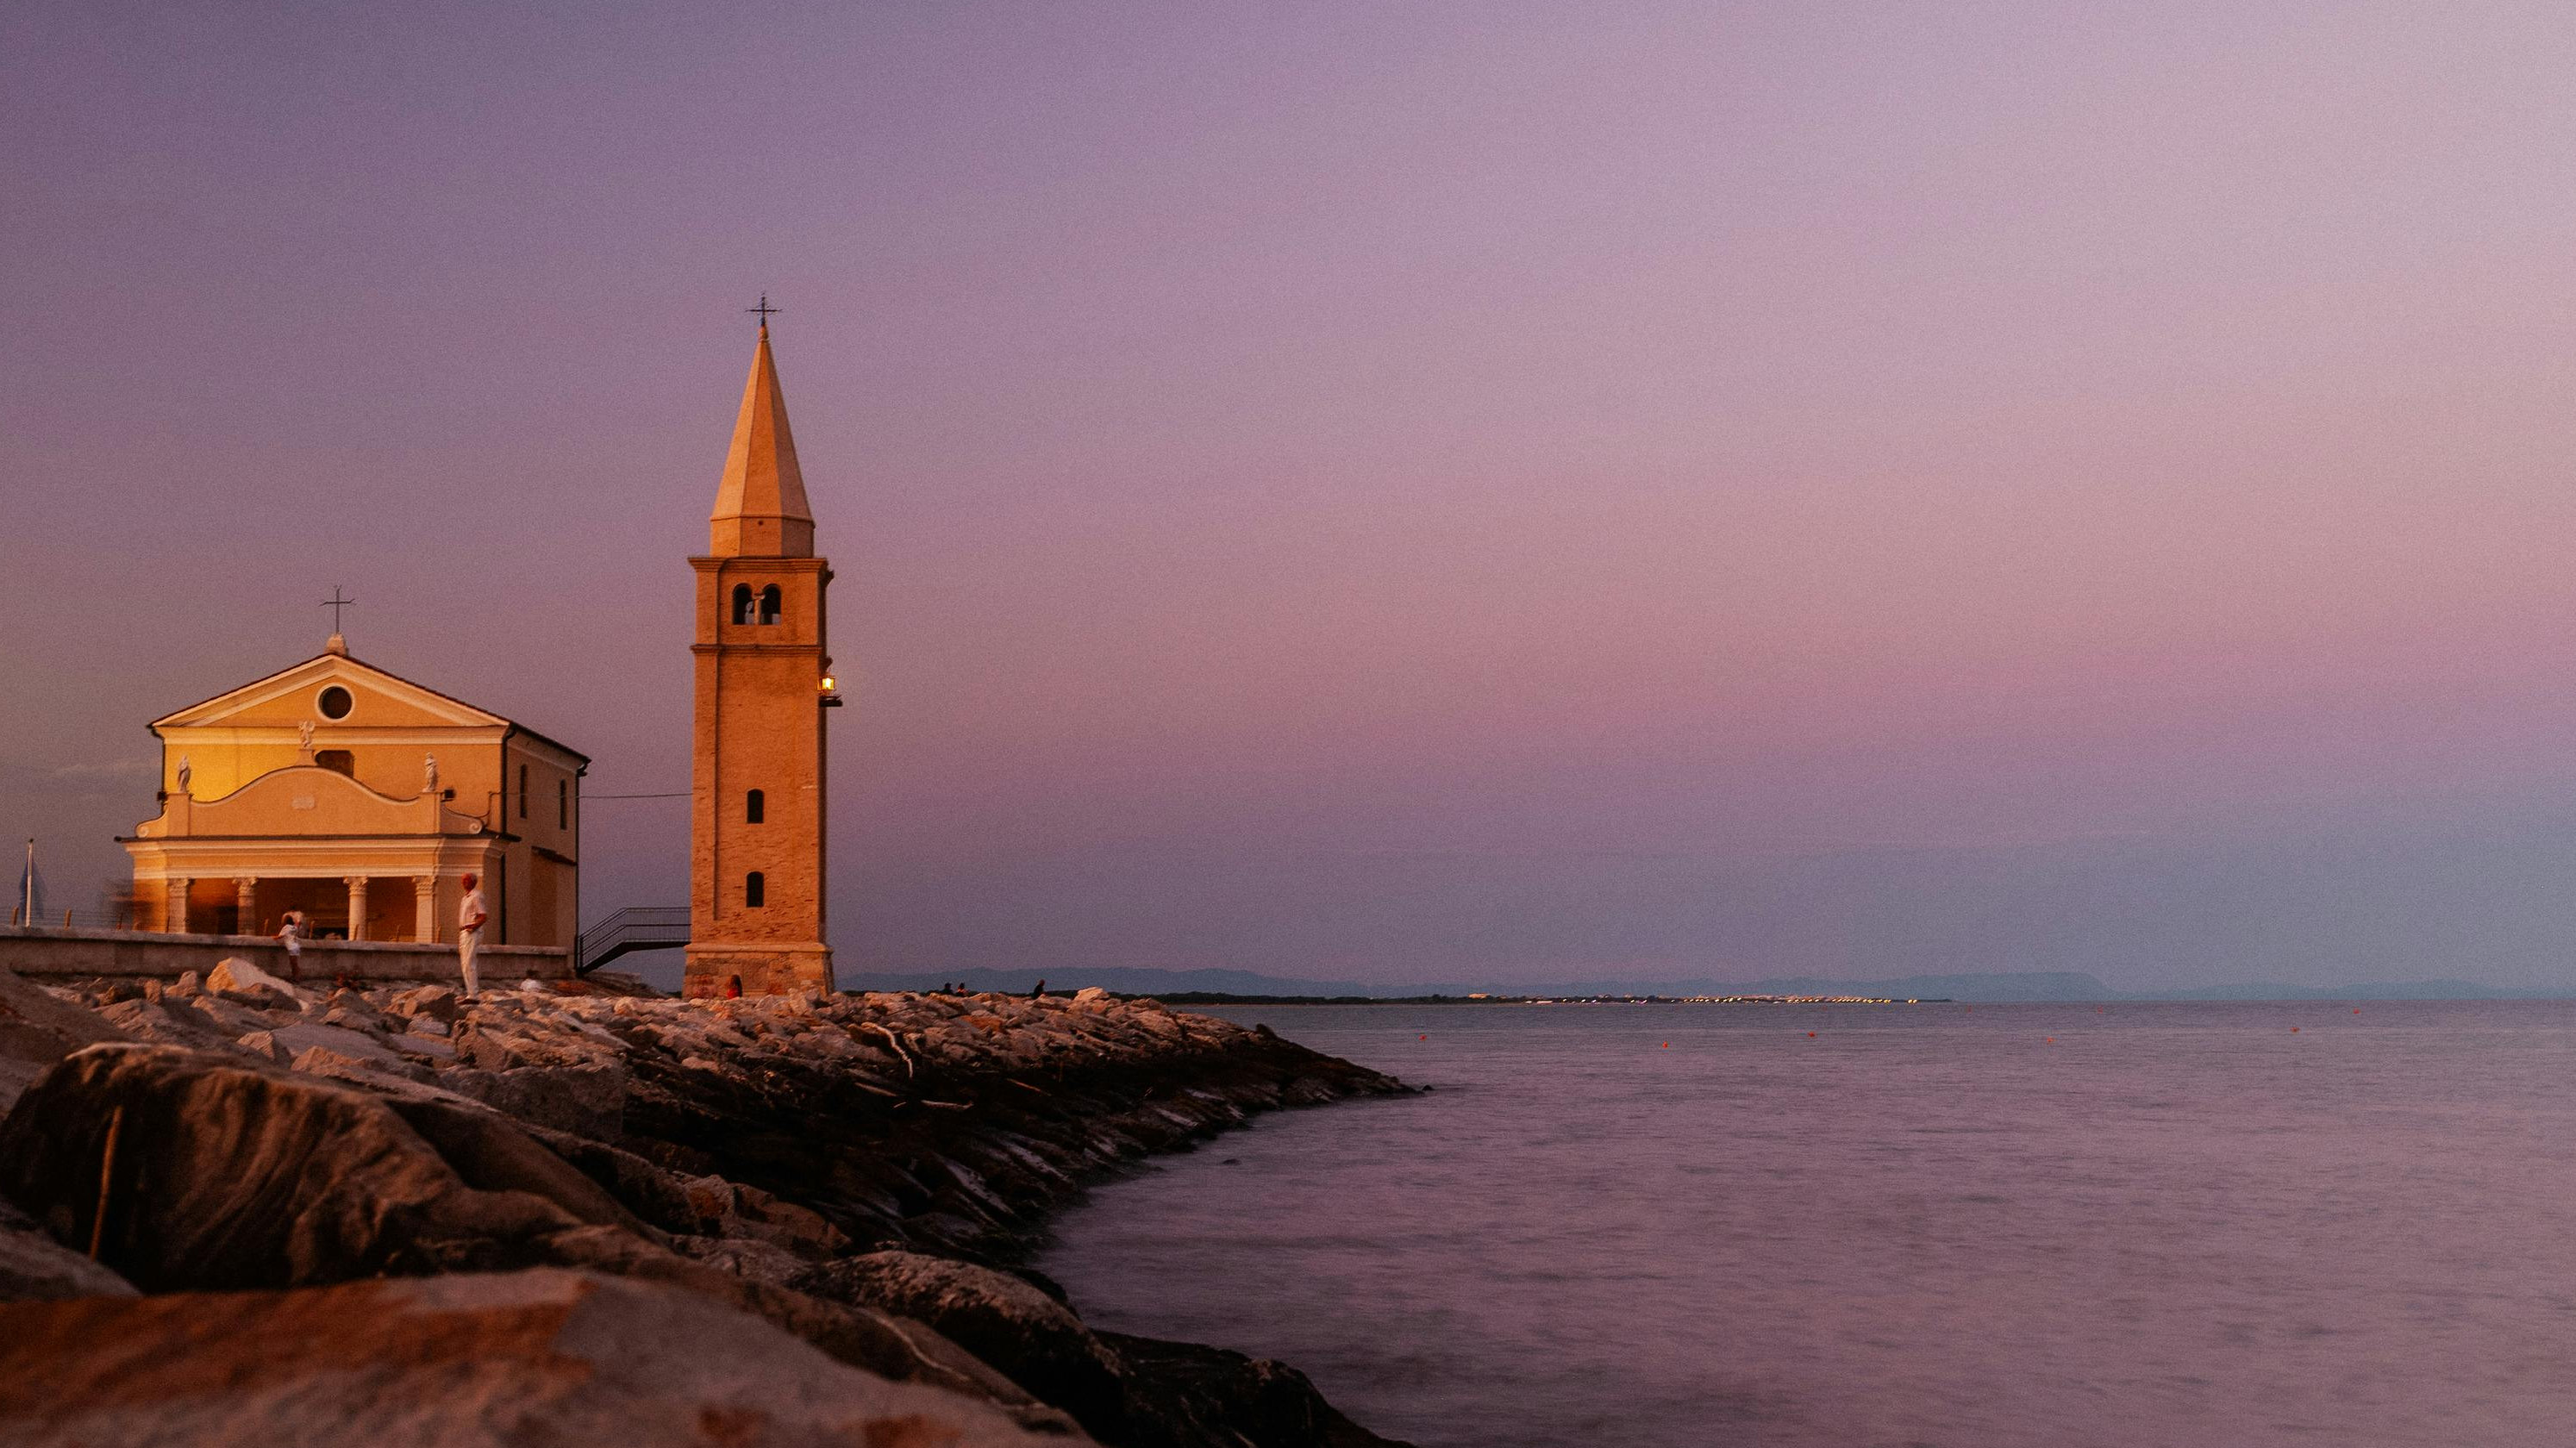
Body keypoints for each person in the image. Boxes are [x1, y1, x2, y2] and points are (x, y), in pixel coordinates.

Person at [457, 872, 489, 997]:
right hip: (464, 932)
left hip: (471, 932)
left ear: (473, 882)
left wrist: (473, 926)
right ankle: (470, 992)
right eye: (463, 880)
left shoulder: (476, 896)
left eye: (466, 880)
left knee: (469, 962)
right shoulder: (466, 897)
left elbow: (483, 916)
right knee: (465, 963)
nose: (463, 882)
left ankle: (473, 994)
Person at [274, 909, 304, 982]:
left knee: (293, 963)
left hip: (291, 947)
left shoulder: (286, 927)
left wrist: (273, 937)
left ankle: (296, 977)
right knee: (295, 963)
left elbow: (280, 936)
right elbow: (298, 925)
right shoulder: (293, 927)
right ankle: (297, 976)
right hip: (296, 946)